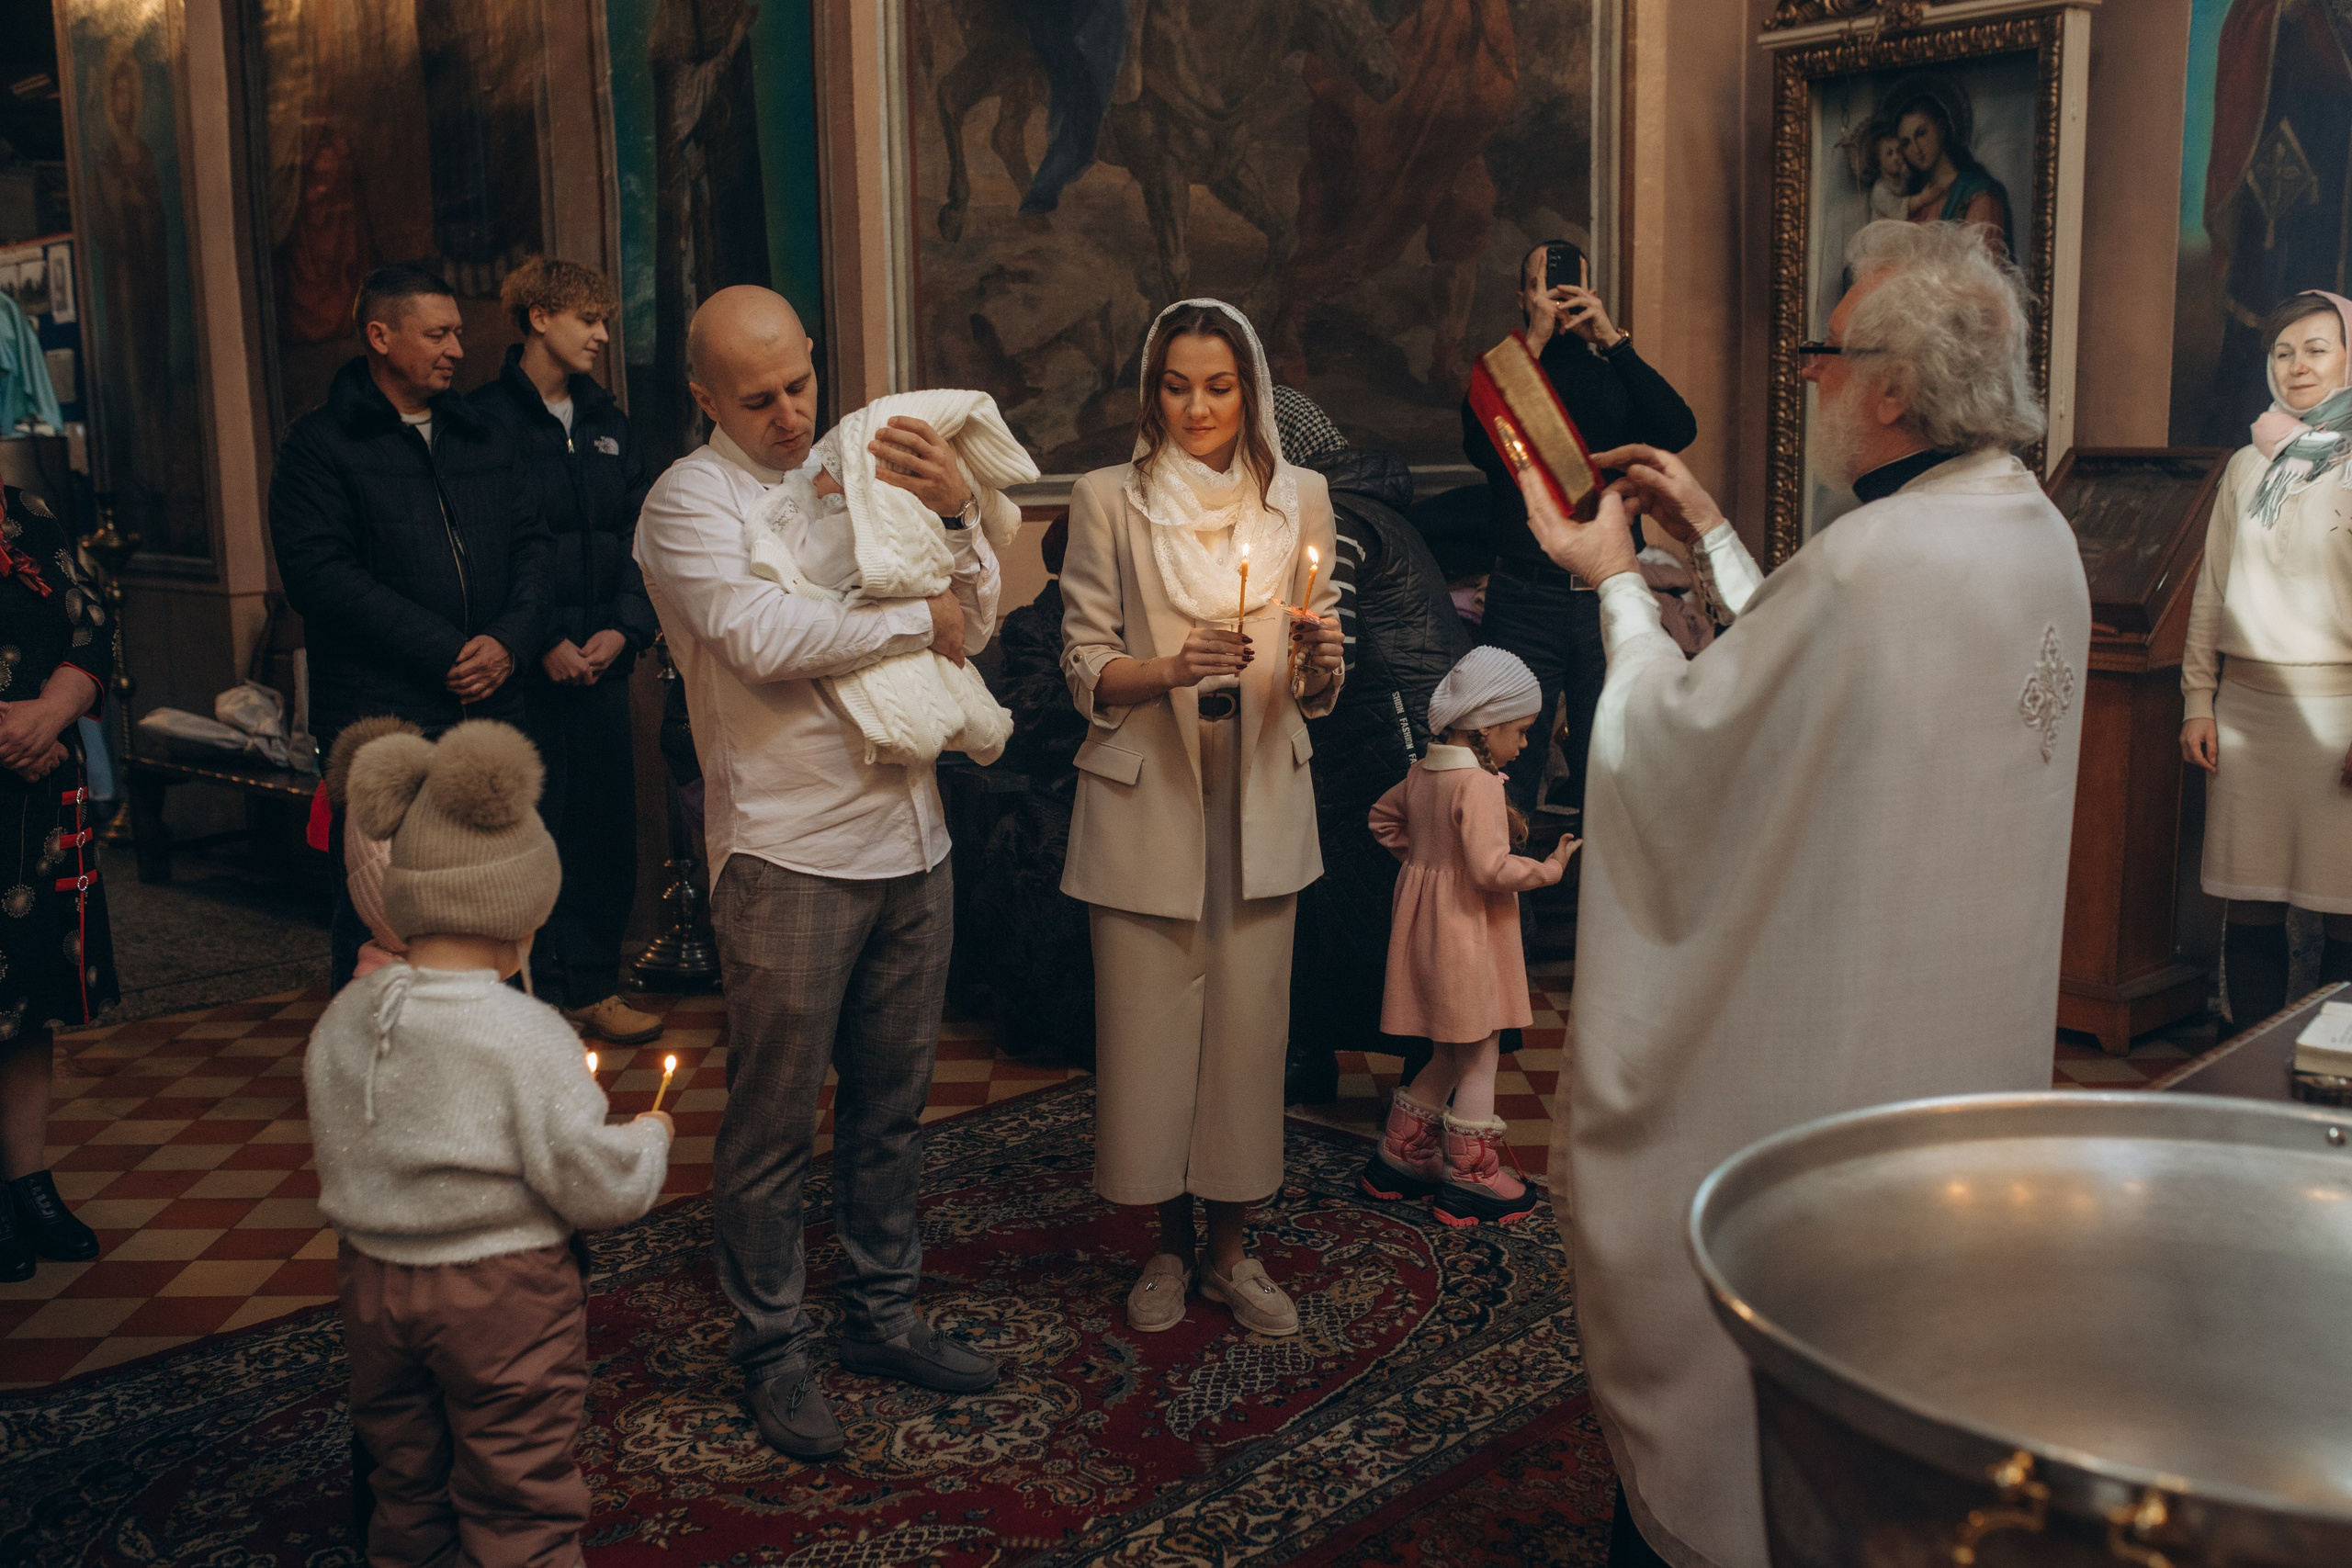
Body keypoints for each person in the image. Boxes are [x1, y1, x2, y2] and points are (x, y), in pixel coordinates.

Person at [1525, 220, 2088, 1568]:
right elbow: (1823, 674)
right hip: (1952, 1068)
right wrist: (1713, 532)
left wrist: (1614, 588)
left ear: (1892, 389)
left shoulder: (1876, 563)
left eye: (1827, 354)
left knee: (1779, 1354)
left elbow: (1686, 747)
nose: (1811, 379)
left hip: (1828, 1063)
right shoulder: (2030, 532)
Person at [633, 286, 1006, 1462]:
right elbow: (762, 640)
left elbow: (979, 621)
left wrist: (958, 519)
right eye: (759, 398)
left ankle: (883, 1319)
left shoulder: (862, 459)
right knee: (774, 1123)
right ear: (705, 398)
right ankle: (772, 1349)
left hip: (913, 835)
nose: (792, 413)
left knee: (891, 1111)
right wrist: (917, 621)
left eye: (801, 383)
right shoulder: (685, 503)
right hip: (788, 850)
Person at [310, 719, 672, 1568]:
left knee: (407, 1484)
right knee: (518, 1493)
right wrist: (647, 1141)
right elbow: (592, 1185)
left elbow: (340, 1146)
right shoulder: (524, 1031)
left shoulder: (346, 1017)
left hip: (372, 1281)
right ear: (521, 907)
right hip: (500, 1292)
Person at [1058, 299, 1345, 1337]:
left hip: (1261, 797)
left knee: (1246, 1041)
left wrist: (1323, 666)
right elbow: (1083, 662)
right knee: (1149, 1042)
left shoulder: (1299, 499)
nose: (1197, 406)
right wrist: (1172, 667)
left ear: (1251, 389)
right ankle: (1165, 1250)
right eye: (1176, 385)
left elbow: (1319, 664)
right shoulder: (1108, 500)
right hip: (1152, 800)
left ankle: (1234, 1253)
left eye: (1217, 386)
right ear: (1152, 390)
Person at [269, 264, 551, 989]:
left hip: (491, 704)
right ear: (380, 336)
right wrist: (449, 651)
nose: (458, 347)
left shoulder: (484, 434)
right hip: (383, 719)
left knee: (494, 896)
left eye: (458, 331)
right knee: (381, 912)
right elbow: (320, 578)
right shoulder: (319, 445)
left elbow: (533, 548)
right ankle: (372, 1069)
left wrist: (510, 643)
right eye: (438, 333)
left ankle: (493, 1063)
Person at [469, 257, 664, 1046]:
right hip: (527, 671)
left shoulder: (610, 421)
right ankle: (532, 996)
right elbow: (486, 546)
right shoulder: (482, 420)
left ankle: (591, 987)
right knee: (530, 832)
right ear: (540, 317)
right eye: (588, 319)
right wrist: (540, 638)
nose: (602, 335)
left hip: (605, 663)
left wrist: (627, 624)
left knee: (606, 828)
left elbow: (640, 536)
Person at [1268, 387, 1473, 1107]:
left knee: (1388, 910)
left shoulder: (1340, 517)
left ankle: (1402, 1077)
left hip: (1388, 733)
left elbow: (1332, 644)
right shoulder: (1372, 503)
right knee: (1382, 908)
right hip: (1406, 728)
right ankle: (1376, 1065)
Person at [1464, 241, 1696, 818]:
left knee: (1616, 775)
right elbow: (1478, 441)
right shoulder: (1501, 377)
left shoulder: (1610, 374)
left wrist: (1614, 341)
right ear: (1523, 296)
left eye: (1574, 286)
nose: (1561, 296)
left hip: (1608, 597)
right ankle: (1510, 909)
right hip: (1523, 599)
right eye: (1547, 285)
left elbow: (1677, 427)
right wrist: (1536, 340)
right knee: (1505, 782)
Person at [2180, 289, 2352, 1029]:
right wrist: (2197, 699)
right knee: (2250, 905)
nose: (2297, 366)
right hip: (2246, 711)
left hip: (2339, 718)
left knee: (2345, 911)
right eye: (2283, 351)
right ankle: (2250, 1067)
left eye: (2316, 348)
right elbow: (2211, 587)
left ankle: (2332, 1074)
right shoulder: (2249, 463)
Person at [1361, 647, 1574, 1226]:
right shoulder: (1477, 785)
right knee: (1480, 1054)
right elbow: (1488, 870)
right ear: (1489, 724)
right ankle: (1472, 1178)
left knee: (1448, 1051)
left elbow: (1382, 820)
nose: (1526, 744)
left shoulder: (1422, 772)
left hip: (1431, 932)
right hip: (1467, 939)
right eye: (1523, 731)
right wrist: (1547, 871)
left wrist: (1426, 865)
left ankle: (1401, 1156)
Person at [0, 483, 116, 1283]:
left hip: (34, 802)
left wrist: (48, 714)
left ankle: (29, 1181)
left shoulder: (28, 514)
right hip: (16, 759)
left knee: (28, 997)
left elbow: (93, 628)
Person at [1894, 92, 2010, 253]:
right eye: (1906, 143)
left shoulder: (1979, 195)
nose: (1916, 149)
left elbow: (1981, 269)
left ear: (1941, 128)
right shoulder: (1913, 202)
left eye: (1921, 133)